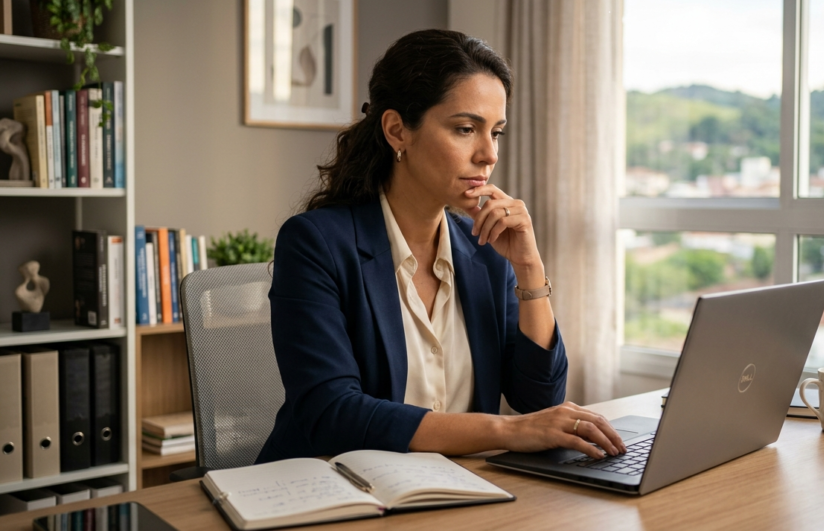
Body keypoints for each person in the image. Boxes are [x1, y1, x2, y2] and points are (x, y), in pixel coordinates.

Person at [256, 29, 624, 464]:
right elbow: (331, 413)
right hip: (330, 491)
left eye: (497, 132)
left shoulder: (486, 250)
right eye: (466, 129)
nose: (489, 154)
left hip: (455, 491)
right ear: (397, 131)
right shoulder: (316, 243)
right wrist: (504, 430)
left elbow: (537, 396)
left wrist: (529, 268)